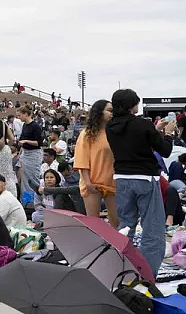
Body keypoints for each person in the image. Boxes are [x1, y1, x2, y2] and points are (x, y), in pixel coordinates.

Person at [106, 88, 173, 276]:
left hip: (122, 179)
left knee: (126, 226)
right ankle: (148, 274)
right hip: (145, 178)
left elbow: (133, 141)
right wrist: (167, 134)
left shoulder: (110, 127)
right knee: (152, 229)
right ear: (132, 105)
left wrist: (155, 131)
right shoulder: (142, 124)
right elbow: (165, 150)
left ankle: (122, 268)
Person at [74, 99, 118, 228]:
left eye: (113, 111)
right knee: (94, 223)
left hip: (113, 182)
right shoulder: (87, 133)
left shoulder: (114, 132)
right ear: (99, 112)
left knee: (116, 221)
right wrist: (88, 182)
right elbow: (82, 159)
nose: (112, 114)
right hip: (92, 183)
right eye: (109, 111)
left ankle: (115, 247)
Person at [17, 106, 43, 201]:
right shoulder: (24, 125)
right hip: (25, 153)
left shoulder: (35, 126)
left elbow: (38, 143)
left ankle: (35, 201)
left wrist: (26, 141)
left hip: (34, 154)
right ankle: (27, 201)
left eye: (20, 115)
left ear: (26, 114)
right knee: (25, 179)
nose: (19, 117)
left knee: (32, 178)